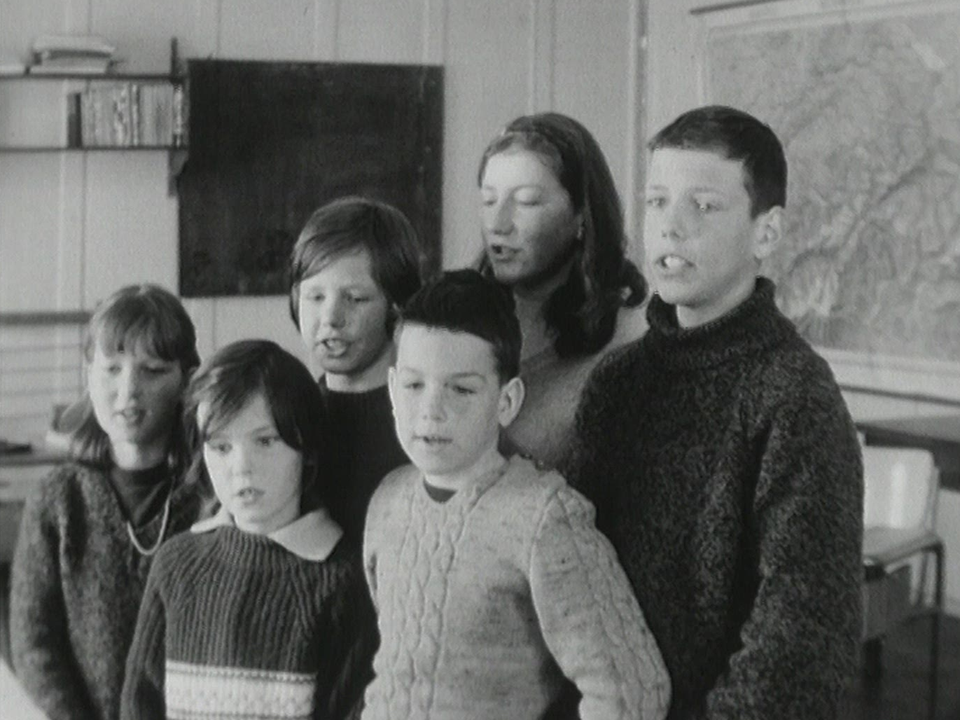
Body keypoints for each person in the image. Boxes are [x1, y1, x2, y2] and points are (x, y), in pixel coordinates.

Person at [565, 105, 864, 720]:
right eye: (656, 202)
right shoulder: (616, 384)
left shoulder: (796, 397)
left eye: (703, 206)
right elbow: (577, 577)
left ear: (767, 232)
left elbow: (801, 639)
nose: (670, 228)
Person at [362, 270, 670, 720]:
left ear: (507, 401)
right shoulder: (387, 502)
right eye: (413, 385)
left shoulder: (543, 517)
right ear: (392, 390)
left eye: (462, 388)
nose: (431, 410)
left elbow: (633, 692)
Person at [121, 340, 376, 720]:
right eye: (221, 447)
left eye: (265, 441)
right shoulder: (175, 564)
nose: (242, 467)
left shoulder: (341, 580)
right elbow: (139, 705)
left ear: (306, 447)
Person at [10, 284, 203, 720]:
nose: (128, 390)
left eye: (153, 370)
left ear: (186, 380)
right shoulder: (58, 500)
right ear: (87, 374)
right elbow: (33, 642)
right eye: (111, 368)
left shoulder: (209, 497)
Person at [477, 112, 647, 467]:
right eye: (489, 200)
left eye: (526, 202)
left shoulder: (632, 338)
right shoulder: (459, 317)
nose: (498, 224)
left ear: (581, 215)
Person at [289, 196, 423, 542]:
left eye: (355, 298)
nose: (331, 318)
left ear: (397, 307)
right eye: (315, 297)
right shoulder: (288, 417)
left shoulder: (425, 420)